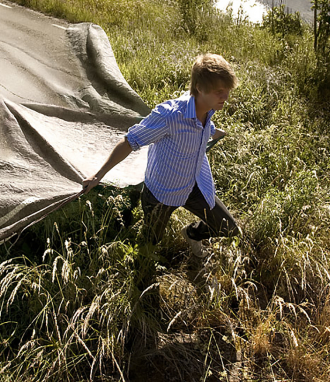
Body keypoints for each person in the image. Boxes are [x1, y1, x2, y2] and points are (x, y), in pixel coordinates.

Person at [82, 53, 240, 258]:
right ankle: (141, 279)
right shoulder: (170, 116)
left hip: (193, 186)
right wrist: (98, 175)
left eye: (227, 90)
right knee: (150, 245)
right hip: (161, 194)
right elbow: (130, 141)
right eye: (220, 91)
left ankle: (192, 234)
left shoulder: (208, 107)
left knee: (228, 227)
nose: (225, 97)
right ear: (200, 88)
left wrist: (213, 131)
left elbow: (200, 126)